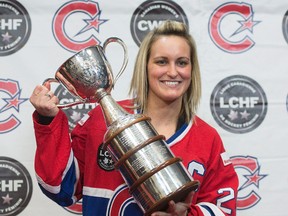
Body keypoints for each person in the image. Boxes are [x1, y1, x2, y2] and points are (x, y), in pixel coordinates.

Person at [30, 20, 238, 216]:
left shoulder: (206, 139)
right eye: (162, 61)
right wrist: (47, 121)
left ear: (192, 70)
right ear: (145, 67)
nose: (173, 72)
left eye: (182, 62)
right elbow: (60, 189)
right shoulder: (99, 122)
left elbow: (224, 210)